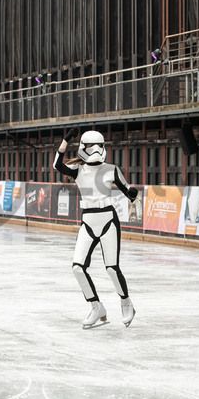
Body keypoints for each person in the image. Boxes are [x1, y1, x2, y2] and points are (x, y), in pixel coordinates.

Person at [54, 129, 139, 329]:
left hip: (108, 219)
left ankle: (126, 303)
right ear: (83, 148)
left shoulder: (112, 169)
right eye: (91, 146)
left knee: (111, 268)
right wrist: (65, 141)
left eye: (99, 146)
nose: (95, 150)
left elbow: (129, 192)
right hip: (88, 221)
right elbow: (57, 164)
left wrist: (133, 194)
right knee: (77, 267)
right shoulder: (78, 170)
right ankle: (96, 306)